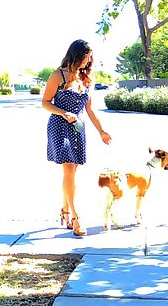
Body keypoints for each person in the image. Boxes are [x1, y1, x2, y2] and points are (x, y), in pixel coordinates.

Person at [42, 39, 112, 237]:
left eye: (89, 58)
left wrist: (102, 131)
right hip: (59, 124)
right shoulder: (58, 75)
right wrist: (64, 113)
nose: (86, 61)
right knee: (69, 168)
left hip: (77, 128)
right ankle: (75, 217)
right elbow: (45, 103)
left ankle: (64, 210)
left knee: (72, 172)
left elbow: (89, 110)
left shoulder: (86, 78)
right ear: (74, 55)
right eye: (84, 57)